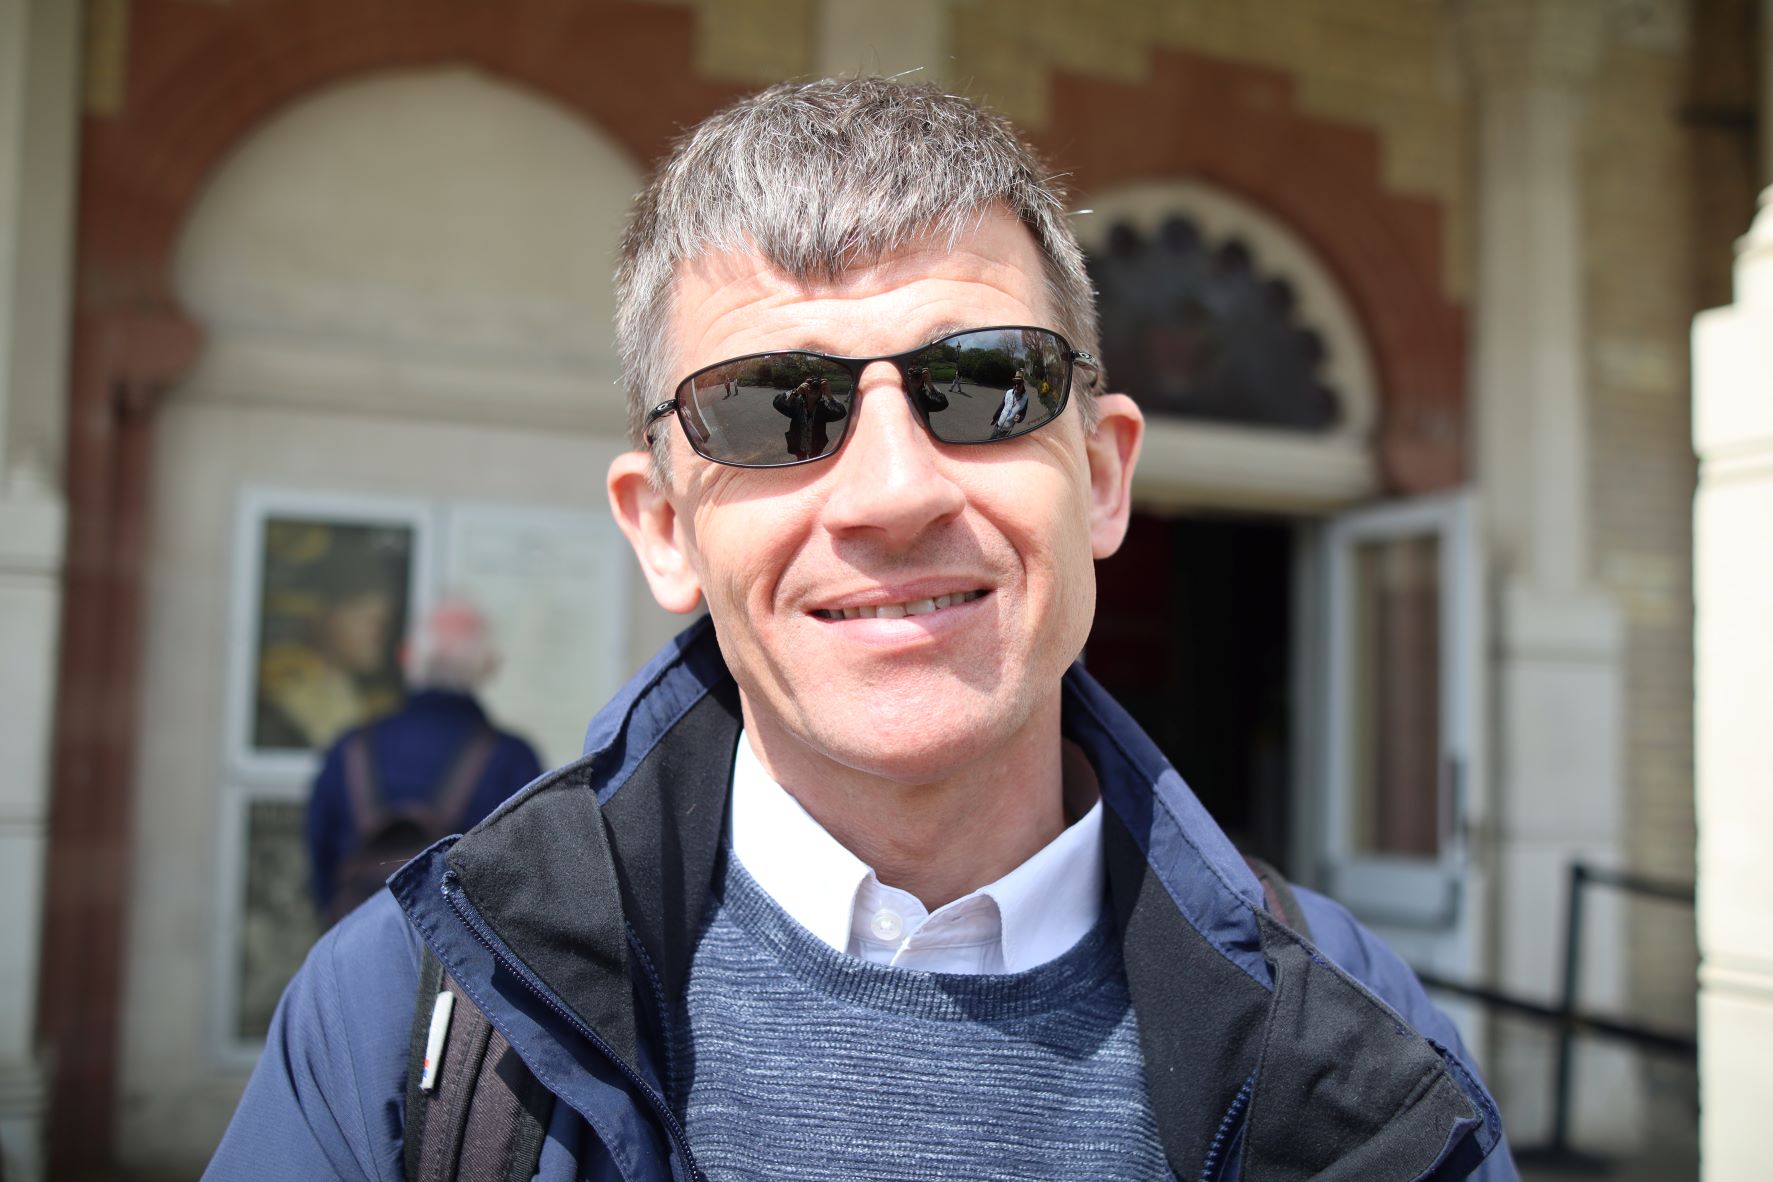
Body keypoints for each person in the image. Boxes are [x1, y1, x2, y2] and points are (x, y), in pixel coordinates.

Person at [211, 78, 1516, 1181]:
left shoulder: (1352, 1051)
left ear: (1102, 476)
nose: (893, 493)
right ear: (663, 527)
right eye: (771, 409)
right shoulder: (413, 1015)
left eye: (986, 384)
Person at [303, 597, 542, 924]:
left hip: (357, 938)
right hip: (465, 952)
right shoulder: (512, 759)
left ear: (405, 657)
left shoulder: (351, 749)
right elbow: (529, 877)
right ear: (489, 665)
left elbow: (320, 860)